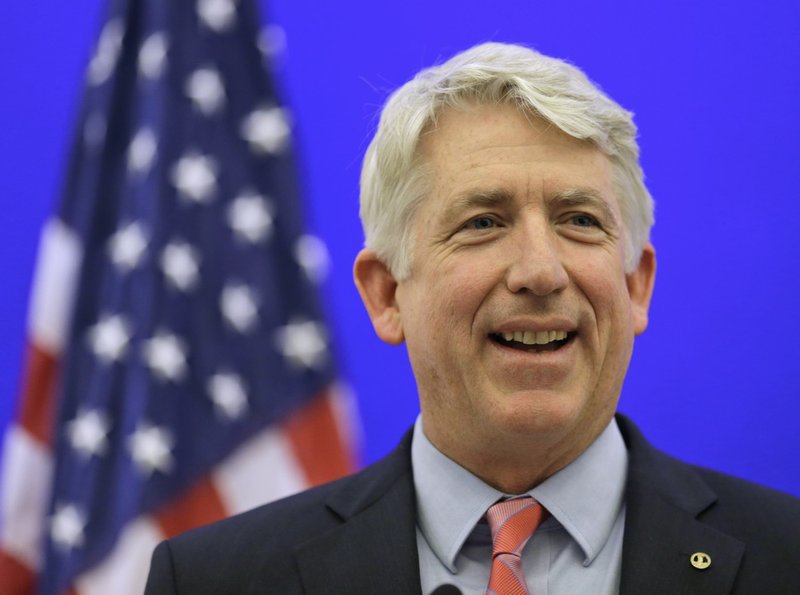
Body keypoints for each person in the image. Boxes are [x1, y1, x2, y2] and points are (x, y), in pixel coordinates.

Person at [144, 42, 800, 594]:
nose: (541, 271)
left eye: (580, 220)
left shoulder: (784, 558)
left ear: (636, 286)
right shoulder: (215, 579)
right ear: (386, 294)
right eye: (483, 221)